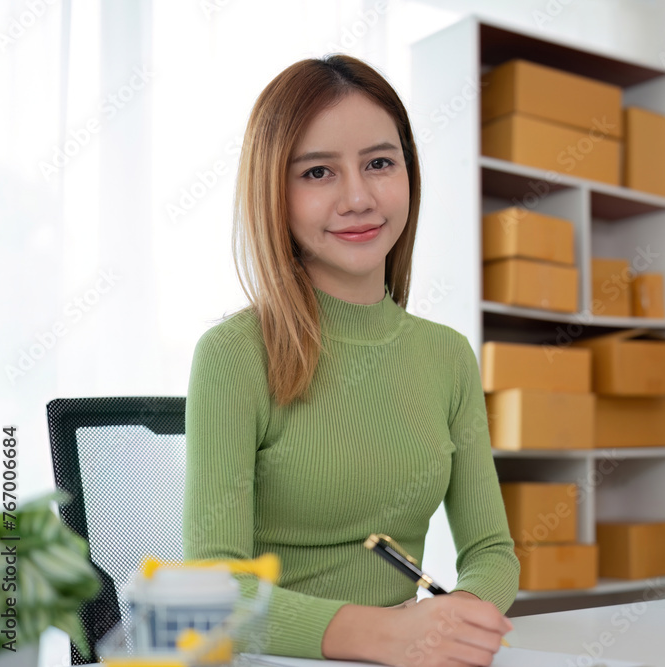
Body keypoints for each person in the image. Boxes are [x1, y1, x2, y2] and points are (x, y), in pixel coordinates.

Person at [182, 55, 519, 666]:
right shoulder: (233, 354)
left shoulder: (447, 355)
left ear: (409, 174)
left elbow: (492, 550)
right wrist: (390, 636)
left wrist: (458, 616)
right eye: (317, 172)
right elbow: (217, 591)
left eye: (380, 163)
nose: (358, 197)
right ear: (273, 192)